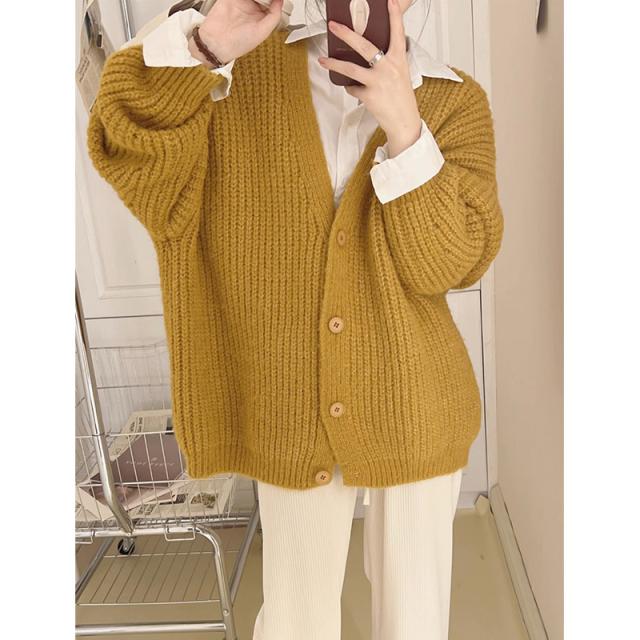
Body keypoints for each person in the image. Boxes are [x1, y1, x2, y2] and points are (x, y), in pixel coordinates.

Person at [86, 0, 504, 638]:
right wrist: (208, 45)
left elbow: (449, 265)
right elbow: (125, 143)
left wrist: (406, 128)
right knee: (294, 617)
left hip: (418, 400)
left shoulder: (454, 100)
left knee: (415, 619)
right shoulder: (232, 77)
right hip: (286, 406)